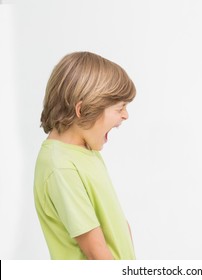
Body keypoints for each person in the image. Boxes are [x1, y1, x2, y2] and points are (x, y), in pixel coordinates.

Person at [34, 51, 136, 260]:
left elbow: (115, 222)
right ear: (83, 110)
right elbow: (95, 251)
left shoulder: (86, 150)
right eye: (120, 108)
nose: (126, 115)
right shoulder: (61, 167)